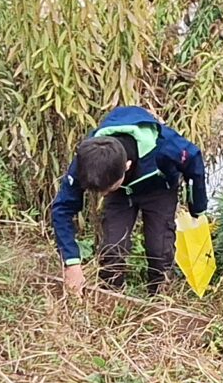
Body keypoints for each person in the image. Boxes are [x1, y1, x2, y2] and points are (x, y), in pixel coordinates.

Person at [51, 108, 208, 295]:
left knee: (159, 250)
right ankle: (111, 297)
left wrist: (197, 206)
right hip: (121, 193)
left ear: (127, 166)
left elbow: (195, 161)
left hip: (158, 187)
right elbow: (62, 209)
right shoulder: (88, 159)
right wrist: (71, 262)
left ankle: (160, 297)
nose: (102, 196)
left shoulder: (166, 146)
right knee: (112, 249)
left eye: (106, 190)